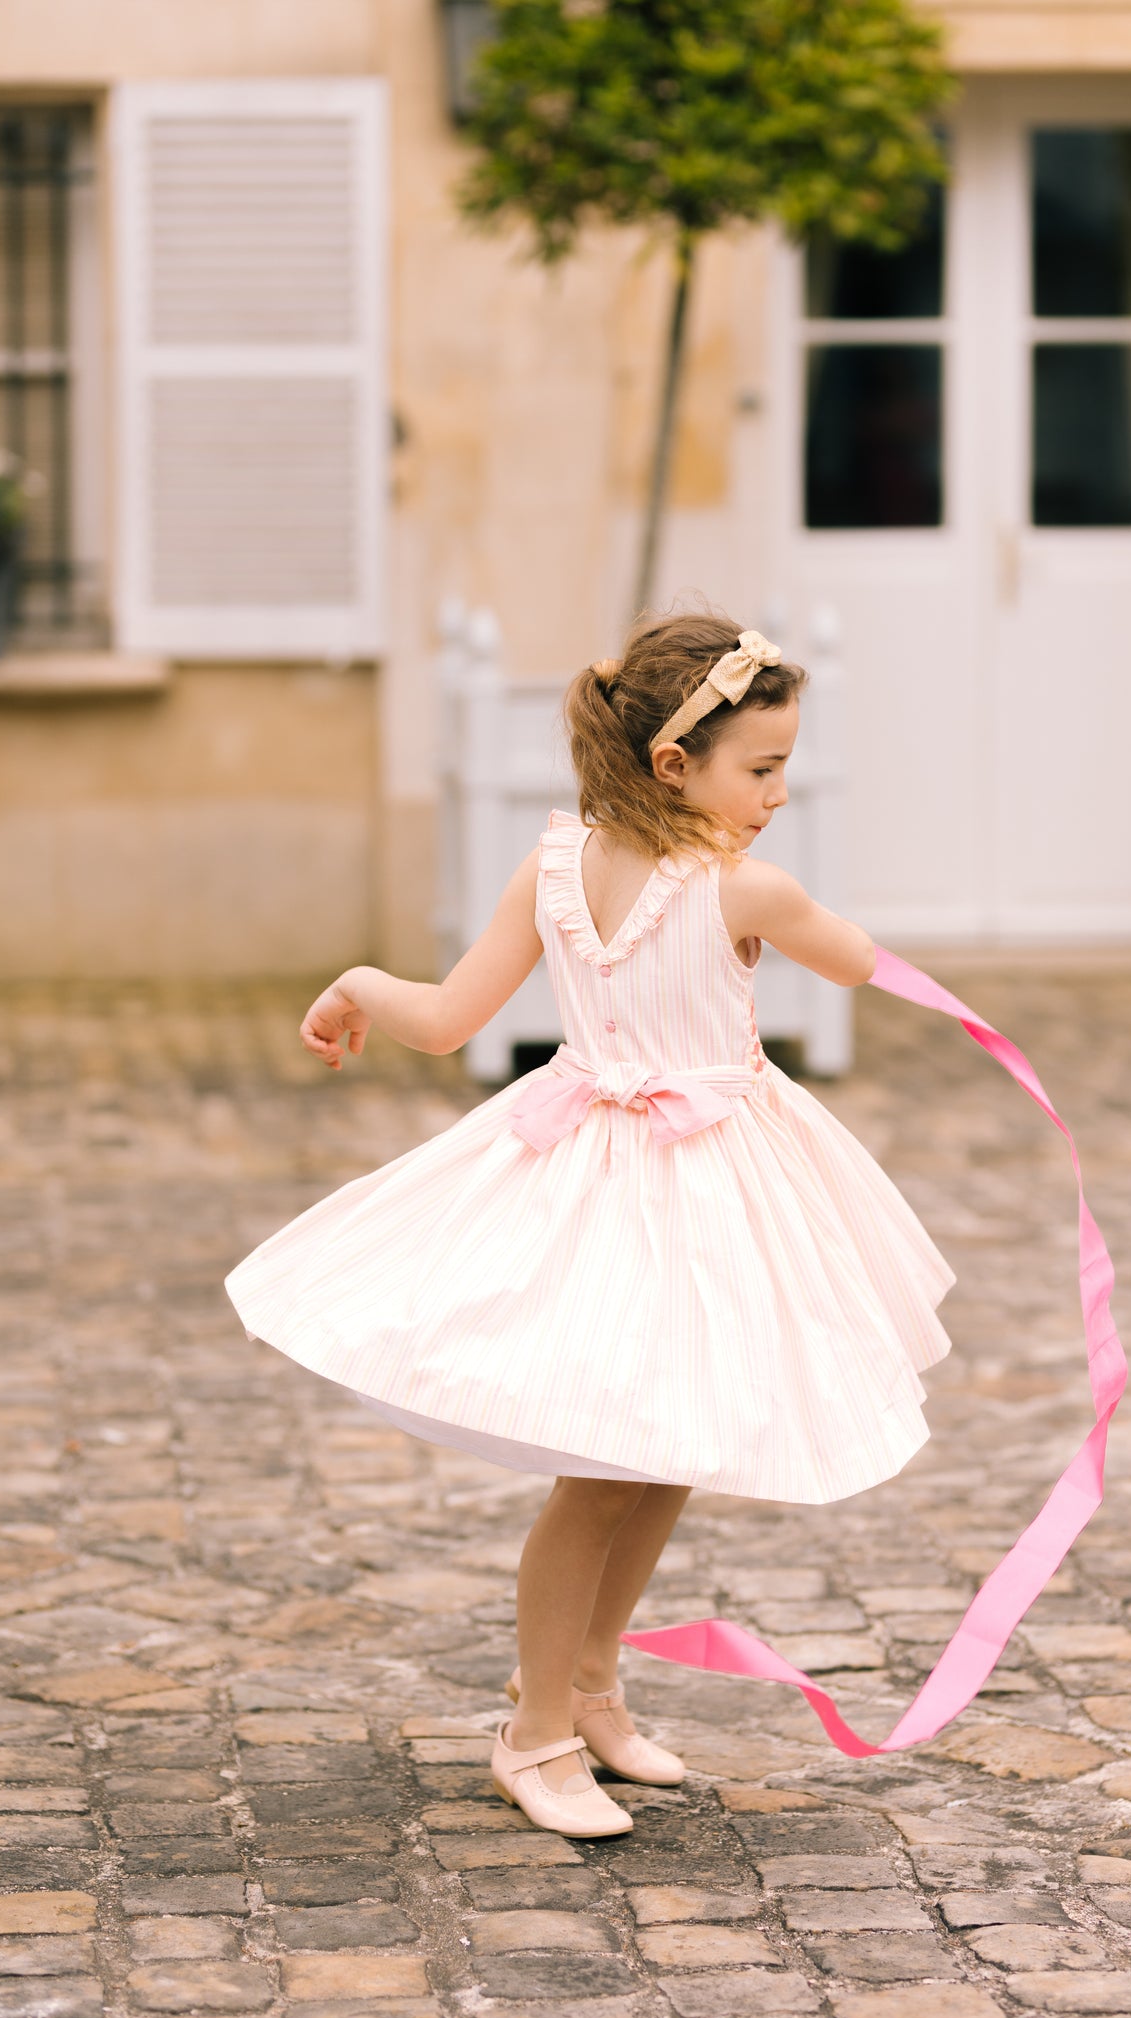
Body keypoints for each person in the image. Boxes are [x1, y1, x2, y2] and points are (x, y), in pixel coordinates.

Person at [225, 611, 954, 1839]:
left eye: (783, 766)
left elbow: (445, 1017)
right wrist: (821, 927)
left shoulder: (558, 863)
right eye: (761, 768)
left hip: (705, 1182)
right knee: (600, 1468)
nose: (780, 791)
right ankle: (531, 1731)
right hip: (611, 1182)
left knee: (674, 1435)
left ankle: (590, 1683)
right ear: (676, 765)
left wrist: (363, 985)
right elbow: (851, 960)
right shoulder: (741, 885)